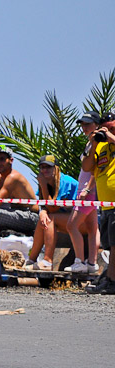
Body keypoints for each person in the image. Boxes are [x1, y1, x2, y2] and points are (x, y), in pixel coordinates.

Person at [24, 155, 78, 270]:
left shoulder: (65, 182)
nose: (45, 170)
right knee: (43, 220)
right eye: (42, 167)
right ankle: (31, 260)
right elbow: (45, 206)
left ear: (56, 168)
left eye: (48, 167)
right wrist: (43, 212)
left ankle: (47, 262)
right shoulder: (47, 182)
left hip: (84, 223)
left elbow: (53, 209)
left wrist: (43, 185)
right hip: (68, 222)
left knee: (50, 218)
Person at [82, 111, 115, 294]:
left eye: (111, 127)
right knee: (109, 245)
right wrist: (94, 144)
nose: (107, 130)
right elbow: (87, 167)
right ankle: (109, 279)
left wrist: (111, 137)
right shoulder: (100, 146)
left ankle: (111, 281)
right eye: (104, 128)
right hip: (106, 205)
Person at [64, 111, 101, 274]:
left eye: (88, 124)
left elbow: (96, 169)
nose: (84, 127)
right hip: (86, 190)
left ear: (97, 125)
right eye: (82, 124)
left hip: (88, 191)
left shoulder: (98, 143)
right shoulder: (90, 142)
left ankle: (79, 261)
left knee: (71, 225)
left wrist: (87, 189)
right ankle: (92, 263)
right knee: (92, 228)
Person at [0, 145, 39, 238]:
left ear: (11, 160)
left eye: (2, 159)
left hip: (31, 216)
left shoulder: (13, 177)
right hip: (16, 212)